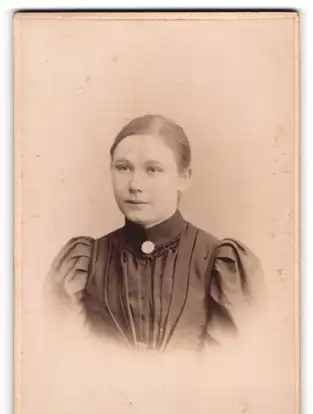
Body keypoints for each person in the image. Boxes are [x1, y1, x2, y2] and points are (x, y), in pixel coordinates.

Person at [47, 114, 264, 352]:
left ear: (184, 178)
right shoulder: (81, 264)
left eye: (153, 169)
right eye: (123, 168)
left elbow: (232, 367)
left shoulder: (222, 265)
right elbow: (64, 360)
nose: (135, 184)